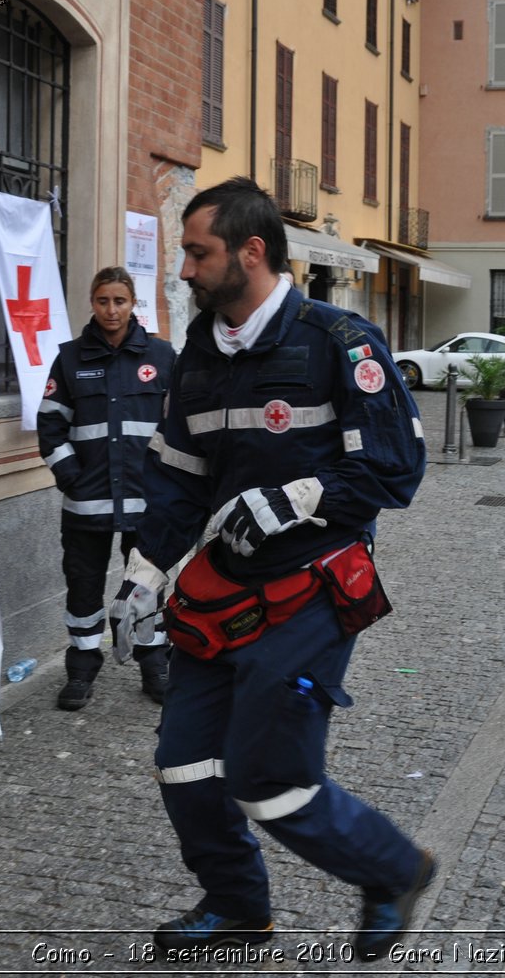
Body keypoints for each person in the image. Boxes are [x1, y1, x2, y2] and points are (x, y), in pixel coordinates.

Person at [115, 177, 434, 959]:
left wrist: (297, 495)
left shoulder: (339, 342)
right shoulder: (200, 348)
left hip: (311, 595)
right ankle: (237, 910)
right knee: (184, 763)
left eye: (198, 251)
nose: (185, 268)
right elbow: (181, 475)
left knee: (269, 778)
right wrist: (144, 573)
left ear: (251, 252)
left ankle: (393, 870)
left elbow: (398, 470)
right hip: (220, 595)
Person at [37, 266, 176, 708]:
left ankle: (154, 665)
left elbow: (181, 424)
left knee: (147, 585)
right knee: (83, 585)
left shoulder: (162, 356)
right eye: (103, 301)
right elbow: (50, 423)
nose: (111, 310)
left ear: (133, 303)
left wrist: (168, 479)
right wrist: (69, 475)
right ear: (92, 303)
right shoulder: (71, 358)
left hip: (146, 499)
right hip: (86, 501)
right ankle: (81, 669)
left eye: (119, 300)